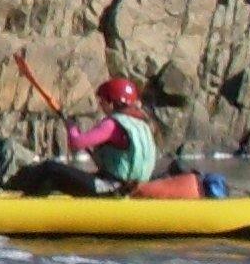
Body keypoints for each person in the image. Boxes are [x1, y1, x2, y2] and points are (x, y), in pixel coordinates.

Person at [18, 77, 161, 196]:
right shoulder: (143, 125)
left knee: (50, 168)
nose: (100, 105)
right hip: (129, 188)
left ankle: (27, 207)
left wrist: (70, 125)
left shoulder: (112, 124)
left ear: (111, 103)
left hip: (111, 188)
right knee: (60, 177)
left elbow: (76, 142)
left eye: (102, 101)